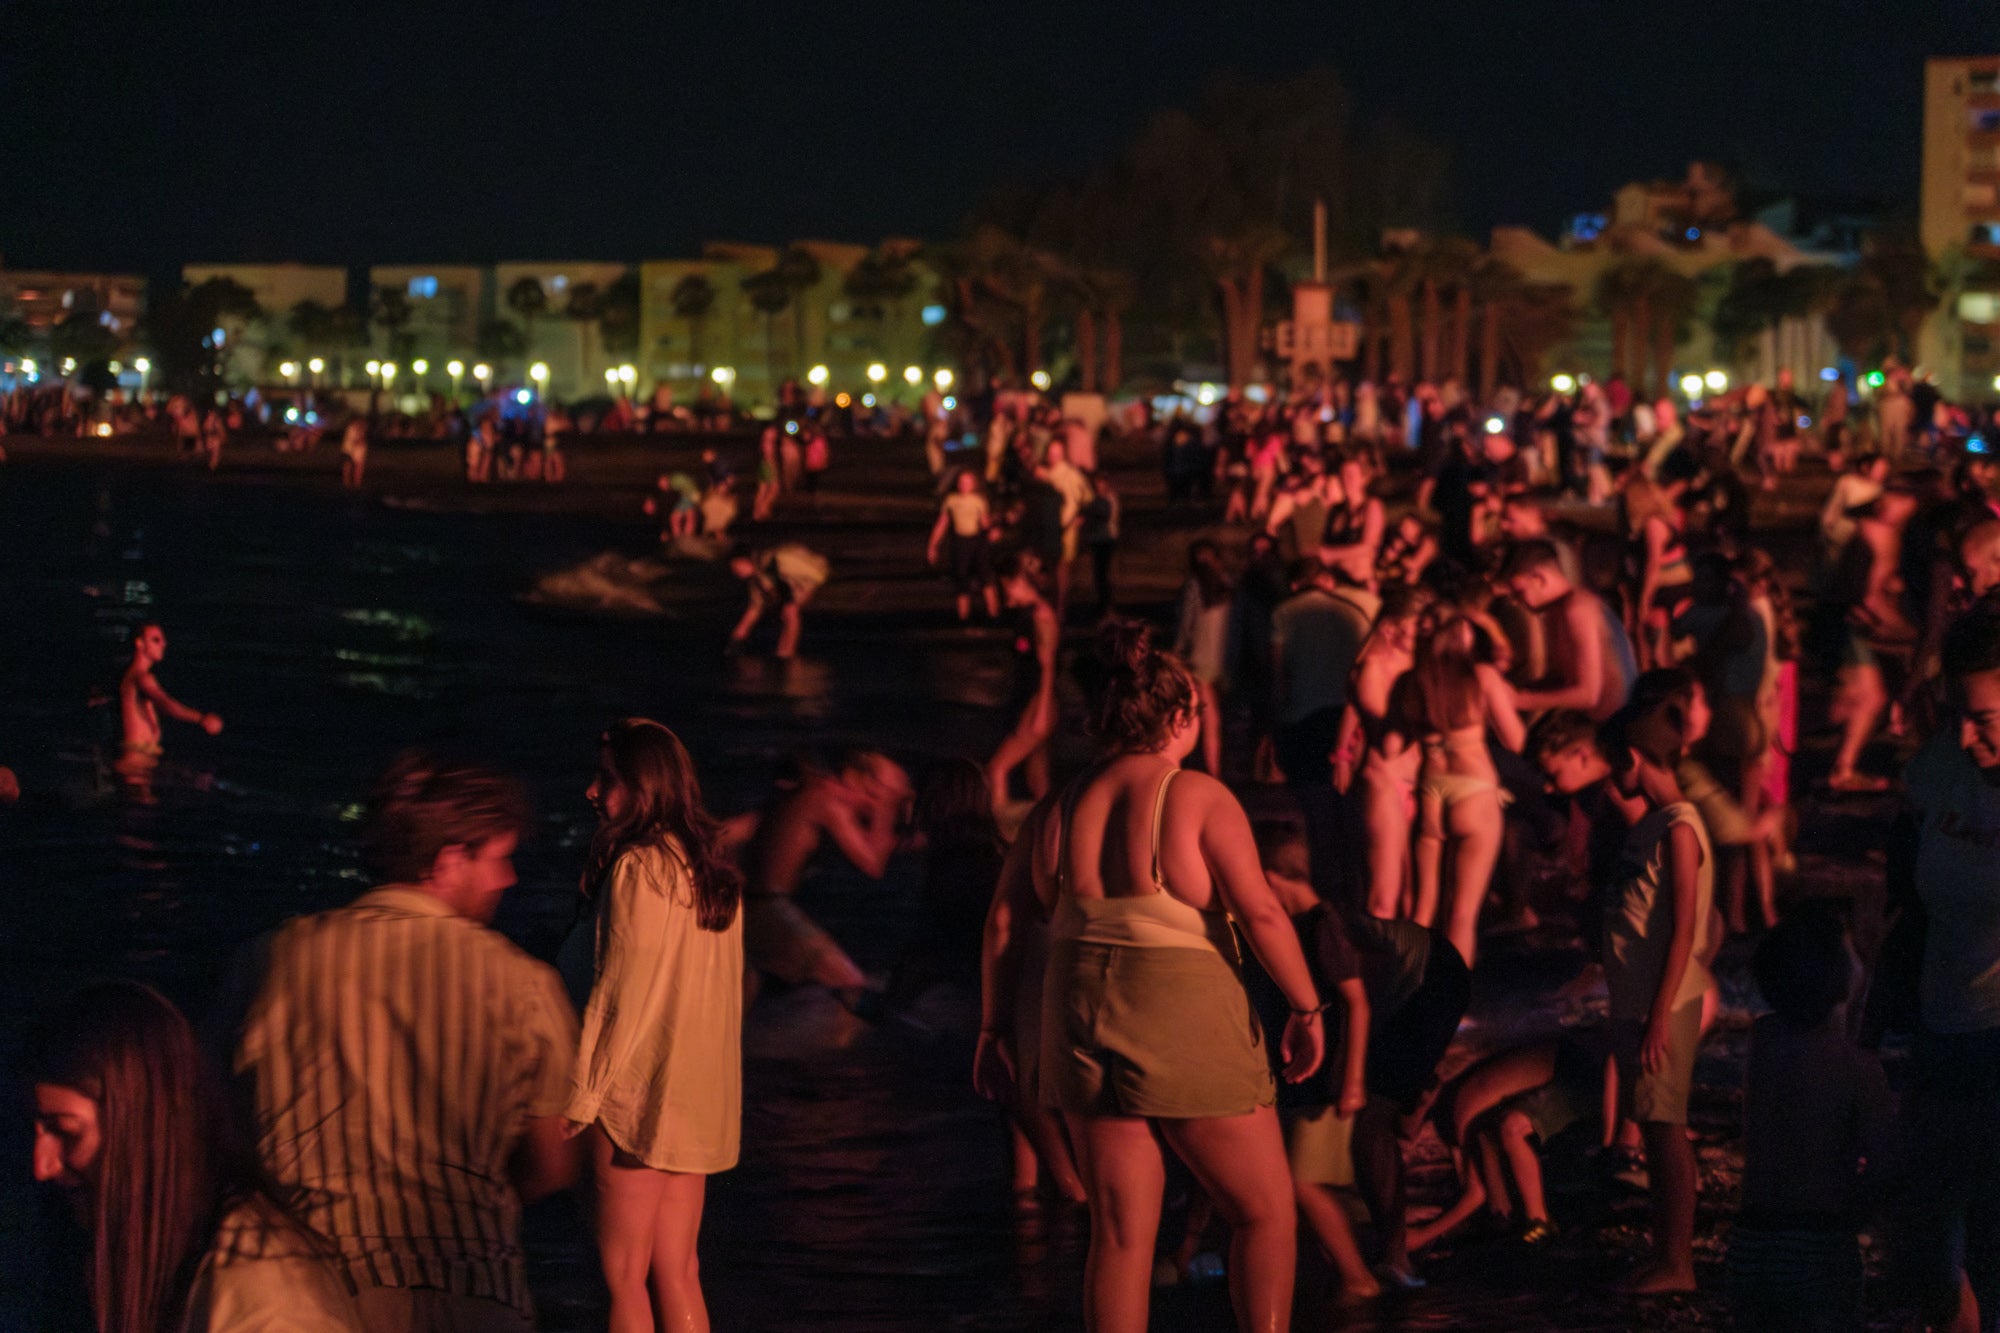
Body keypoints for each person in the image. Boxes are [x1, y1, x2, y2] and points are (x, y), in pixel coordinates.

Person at [977, 620, 1324, 1333]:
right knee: (1262, 1211)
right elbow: (1259, 910)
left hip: (1074, 1010)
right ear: (1178, 715)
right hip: (1178, 1003)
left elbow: (1005, 925)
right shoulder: (1195, 795)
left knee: (1121, 1234)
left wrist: (992, 1027)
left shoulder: (1056, 807)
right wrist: (1306, 1006)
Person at [224, 750, 581, 1331]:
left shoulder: (269, 959)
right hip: (473, 1295)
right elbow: (555, 1165)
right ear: (447, 862)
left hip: (305, 1297)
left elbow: (220, 1123)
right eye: (500, 858)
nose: (509, 879)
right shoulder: (524, 986)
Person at [26, 981, 361, 1332]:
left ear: (142, 1124)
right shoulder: (162, 1253)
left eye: (65, 1132)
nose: (41, 1165)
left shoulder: (263, 1297)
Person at [568, 720, 744, 1333]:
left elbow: (622, 992)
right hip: (695, 1096)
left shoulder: (640, 867)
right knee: (679, 1270)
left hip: (636, 1098)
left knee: (622, 1276)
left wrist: (582, 1095)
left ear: (642, 787)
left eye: (607, 781)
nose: (593, 793)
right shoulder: (710, 870)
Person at [1890, 604, 2000, 1330]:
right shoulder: (1939, 766)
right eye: (1958, 713)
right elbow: (1905, 901)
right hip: (1939, 1024)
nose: (1965, 734)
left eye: (1986, 717)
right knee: (1929, 1234)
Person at [1728, 907, 1893, 1333]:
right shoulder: (1857, 1066)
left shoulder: (1763, 1040)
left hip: (1752, 1237)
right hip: (1819, 1237)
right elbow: (1883, 1159)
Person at [1599, 699, 1716, 1294]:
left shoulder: (1679, 828)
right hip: (1637, 1000)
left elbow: (1686, 925)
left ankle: (1678, 1262)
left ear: (1633, 757)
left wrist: (1659, 1015)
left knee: (1665, 1127)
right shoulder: (1652, 822)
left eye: (1610, 761)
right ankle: (1663, 1252)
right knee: (1650, 1125)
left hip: (1658, 1005)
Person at [1402, 613, 1526, 966]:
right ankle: (1450, 1011)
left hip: (1430, 791)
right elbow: (1515, 739)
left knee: (1423, 909)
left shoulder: (1416, 680)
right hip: (1473, 791)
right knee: (1461, 913)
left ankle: (1408, 997)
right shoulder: (1480, 677)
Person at [737, 749, 909, 1002]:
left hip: (752, 906)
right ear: (852, 777)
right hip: (768, 909)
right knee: (850, 983)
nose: (870, 806)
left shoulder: (804, 794)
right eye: (871, 794)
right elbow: (873, 863)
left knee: (746, 991)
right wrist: (887, 803)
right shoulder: (826, 797)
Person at [1335, 587, 1427, 920]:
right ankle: (1377, 965)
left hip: (1417, 781)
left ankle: (1411, 967)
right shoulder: (1373, 667)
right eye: (1419, 626)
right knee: (1385, 895)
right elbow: (1381, 721)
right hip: (1387, 782)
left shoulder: (1419, 661)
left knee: (1413, 895)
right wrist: (1343, 755)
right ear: (1391, 628)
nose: (1426, 633)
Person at [1505, 540, 1635, 722]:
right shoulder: (1554, 612)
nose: (1515, 601)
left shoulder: (1577, 609)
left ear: (1539, 578)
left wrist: (1523, 701)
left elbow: (1588, 694)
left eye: (1519, 592)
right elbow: (1560, 680)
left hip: (1615, 728)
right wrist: (1513, 690)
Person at [987, 552, 1060, 811]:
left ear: (1018, 582)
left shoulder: (1040, 616)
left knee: (997, 769)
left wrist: (1040, 713)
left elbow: (1048, 664)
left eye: (1006, 586)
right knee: (1038, 781)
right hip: (1035, 700)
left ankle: (999, 834)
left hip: (1039, 702)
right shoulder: (1026, 614)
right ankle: (1054, 838)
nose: (1005, 592)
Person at [117, 623, 222, 785]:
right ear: (140, 644)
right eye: (156, 640)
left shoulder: (131, 676)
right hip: (137, 759)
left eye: (163, 639)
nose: (163, 644)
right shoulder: (142, 677)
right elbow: (165, 703)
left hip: (143, 756)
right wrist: (201, 718)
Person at [1173, 538, 1233, 777]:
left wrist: (1177, 654)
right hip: (1224, 661)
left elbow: (1185, 626)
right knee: (1217, 720)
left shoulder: (1193, 587)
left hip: (1199, 661)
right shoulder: (1228, 585)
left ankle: (1213, 772)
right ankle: (1216, 769)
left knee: (1207, 722)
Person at [728, 543, 829, 660]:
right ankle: (783, 653)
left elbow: (780, 581)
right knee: (787, 612)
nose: (736, 572)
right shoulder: (756, 581)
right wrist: (737, 638)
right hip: (794, 581)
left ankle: (787, 653)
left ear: (744, 560)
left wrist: (790, 602)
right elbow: (754, 609)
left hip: (810, 573)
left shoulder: (766, 561)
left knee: (790, 613)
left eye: (736, 566)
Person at [926, 468, 998, 622]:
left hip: (977, 542)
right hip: (960, 543)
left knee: (985, 577)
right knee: (961, 579)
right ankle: (963, 618)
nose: (964, 485)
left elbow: (985, 522)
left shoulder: (979, 500)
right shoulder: (951, 500)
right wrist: (933, 545)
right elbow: (942, 522)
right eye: (961, 482)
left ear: (974, 484)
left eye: (968, 482)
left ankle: (994, 615)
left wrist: (991, 528)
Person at [339, 417, 368, 489]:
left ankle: (356, 483)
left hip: (355, 450)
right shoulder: (353, 428)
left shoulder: (357, 428)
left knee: (357, 467)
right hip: (349, 450)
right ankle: (348, 482)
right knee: (348, 466)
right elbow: (355, 439)